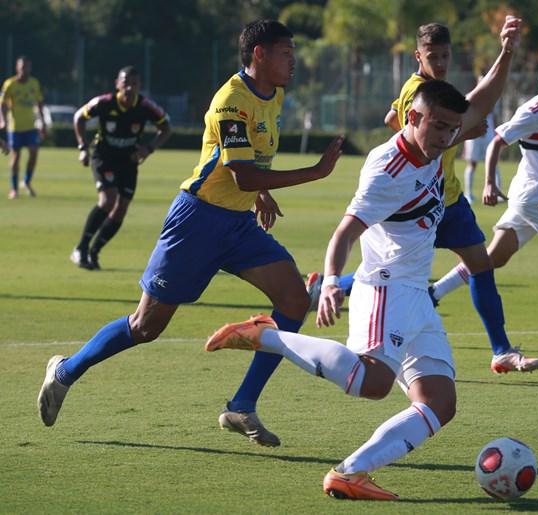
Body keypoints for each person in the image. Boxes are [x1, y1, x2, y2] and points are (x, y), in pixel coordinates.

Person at [205, 20, 527, 501]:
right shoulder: (386, 168)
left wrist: (508, 51)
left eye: (451, 129)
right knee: (372, 384)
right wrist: (332, 281)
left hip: (417, 294)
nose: (445, 137)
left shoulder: (437, 142)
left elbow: (480, 99)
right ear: (410, 119)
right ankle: (266, 335)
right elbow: (346, 230)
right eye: (436, 126)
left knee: (441, 402)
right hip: (385, 286)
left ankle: (350, 473)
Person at [37, 20, 343, 449]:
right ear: (259, 55)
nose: (294, 61)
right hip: (196, 223)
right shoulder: (230, 101)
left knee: (294, 299)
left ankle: (242, 405)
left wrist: (261, 193)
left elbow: (245, 164)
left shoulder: (274, 94)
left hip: (237, 225)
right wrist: (314, 172)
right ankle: (66, 371)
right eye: (285, 54)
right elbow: (240, 173)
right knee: (146, 326)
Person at [306, 22, 538, 375]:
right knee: (395, 272)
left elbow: (467, 105)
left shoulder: (439, 92)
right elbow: (414, 141)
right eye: (434, 57)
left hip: (447, 196)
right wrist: (462, 135)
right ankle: (330, 287)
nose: (442, 63)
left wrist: (506, 51)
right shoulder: (416, 91)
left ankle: (501, 350)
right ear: (419, 57)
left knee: (480, 264)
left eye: (446, 56)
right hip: (411, 200)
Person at [431, 46, 538, 345]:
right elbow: (497, 141)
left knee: (492, 258)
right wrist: (488, 183)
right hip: (533, 191)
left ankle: (435, 293)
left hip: (535, 193)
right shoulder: (532, 111)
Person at [70, 66, 172, 270]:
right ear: (117, 84)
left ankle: (94, 251)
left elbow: (166, 127)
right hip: (103, 157)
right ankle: (80, 248)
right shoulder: (105, 102)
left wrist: (149, 148)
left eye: (133, 83)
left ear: (139, 86)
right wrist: (83, 147)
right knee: (108, 199)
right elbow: (79, 117)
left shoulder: (145, 106)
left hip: (129, 161)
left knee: (121, 208)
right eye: (125, 83)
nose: (129, 87)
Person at [0, 56, 46, 199]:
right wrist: (2, 120)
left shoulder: (34, 83)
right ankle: (14, 189)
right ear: (17, 68)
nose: (25, 70)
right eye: (22, 67)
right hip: (15, 127)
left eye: (27, 67)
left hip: (31, 126)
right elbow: (1, 104)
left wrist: (42, 122)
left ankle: (26, 182)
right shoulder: (10, 84)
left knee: (34, 152)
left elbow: (39, 103)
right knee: (16, 157)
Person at [462, 106, 501, 204]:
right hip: (474, 132)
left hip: (489, 131)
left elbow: (494, 115)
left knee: (493, 163)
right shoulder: (470, 98)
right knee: (472, 164)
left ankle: (497, 192)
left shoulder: (493, 96)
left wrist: (496, 133)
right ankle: (468, 194)